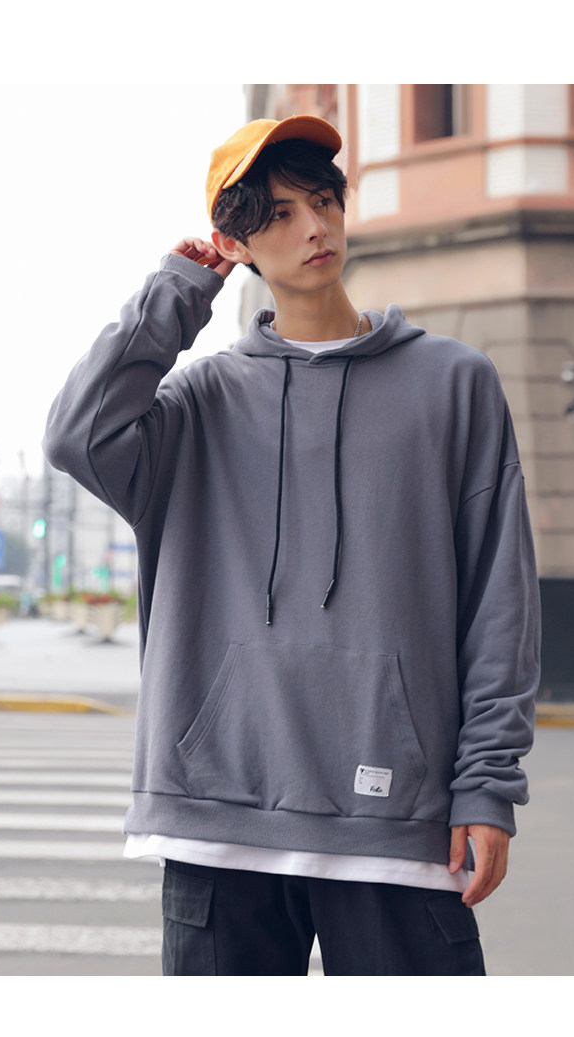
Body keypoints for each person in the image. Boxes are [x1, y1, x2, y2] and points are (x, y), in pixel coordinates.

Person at [43, 115, 540, 976]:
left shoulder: (453, 384)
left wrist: (487, 784)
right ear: (236, 242)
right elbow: (77, 435)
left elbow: (500, 602)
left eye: (322, 200)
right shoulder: (197, 403)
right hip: (217, 818)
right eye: (277, 214)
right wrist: (177, 292)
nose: (314, 226)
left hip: (397, 826)